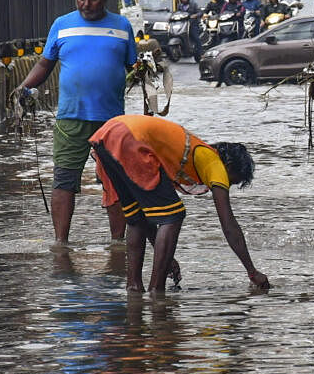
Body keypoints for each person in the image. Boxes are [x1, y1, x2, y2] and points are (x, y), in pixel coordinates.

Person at [17, 0, 137, 253]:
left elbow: (134, 68)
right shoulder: (61, 25)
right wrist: (23, 88)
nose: (86, 4)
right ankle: (61, 243)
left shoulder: (122, 26)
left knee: (114, 181)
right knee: (65, 179)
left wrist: (147, 73)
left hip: (111, 121)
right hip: (70, 117)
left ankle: (117, 243)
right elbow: (44, 65)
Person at [89, 114, 270, 295]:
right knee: (174, 216)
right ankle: (156, 290)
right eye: (232, 181)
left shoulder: (190, 154)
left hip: (108, 134)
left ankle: (134, 287)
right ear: (229, 166)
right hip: (130, 137)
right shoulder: (216, 165)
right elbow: (229, 225)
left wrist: (167, 259)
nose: (227, 185)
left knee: (137, 217)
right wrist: (252, 272)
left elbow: (147, 221)